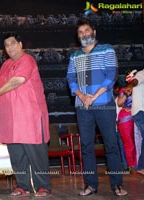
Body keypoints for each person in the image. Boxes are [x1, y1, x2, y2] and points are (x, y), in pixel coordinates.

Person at [0, 33, 52, 198]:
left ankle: (43, 186)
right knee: (17, 155)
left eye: (12, 43)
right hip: (11, 117)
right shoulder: (5, 64)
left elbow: (16, 81)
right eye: (6, 45)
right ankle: (22, 186)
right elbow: (5, 84)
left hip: (29, 115)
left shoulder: (27, 60)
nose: (9, 47)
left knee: (36, 153)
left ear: (20, 44)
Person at [66, 17, 127, 196]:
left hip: (103, 104)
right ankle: (90, 185)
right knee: (86, 146)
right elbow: (70, 78)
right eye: (80, 32)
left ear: (94, 32)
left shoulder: (106, 49)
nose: (84, 34)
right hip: (82, 106)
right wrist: (82, 96)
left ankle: (117, 184)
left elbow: (111, 75)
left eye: (86, 30)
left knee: (111, 144)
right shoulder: (74, 55)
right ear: (78, 37)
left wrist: (94, 96)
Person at [117, 70, 137, 170]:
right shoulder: (124, 89)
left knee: (139, 142)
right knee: (129, 142)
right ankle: (132, 165)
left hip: (138, 116)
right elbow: (119, 103)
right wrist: (126, 93)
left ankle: (139, 163)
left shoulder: (140, 89)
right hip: (126, 117)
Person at [125, 68, 144, 175]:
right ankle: (141, 166)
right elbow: (136, 80)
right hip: (140, 111)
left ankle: (141, 166)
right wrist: (130, 86)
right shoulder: (142, 73)